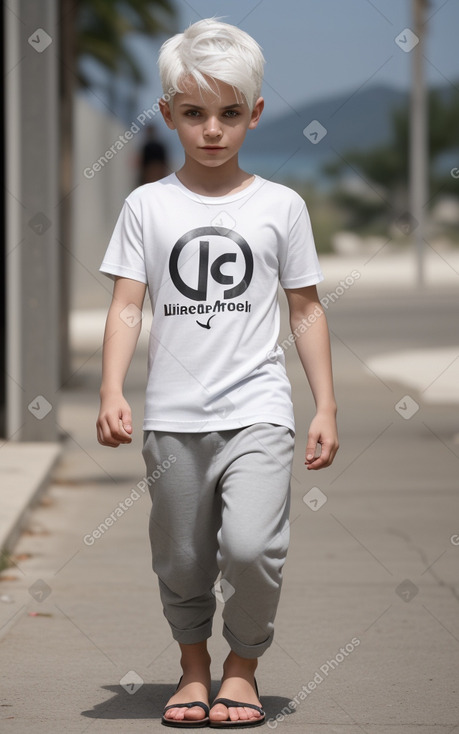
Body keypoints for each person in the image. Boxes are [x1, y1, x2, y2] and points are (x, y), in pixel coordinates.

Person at [96, 18, 339, 728]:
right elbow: (125, 306)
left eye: (229, 114)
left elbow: (304, 310)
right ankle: (193, 666)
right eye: (195, 113)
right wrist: (112, 389)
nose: (211, 130)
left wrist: (323, 405)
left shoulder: (280, 207)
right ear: (167, 113)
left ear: (254, 114)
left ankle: (242, 665)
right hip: (173, 417)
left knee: (252, 546)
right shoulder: (146, 206)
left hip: (259, 411)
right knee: (180, 558)